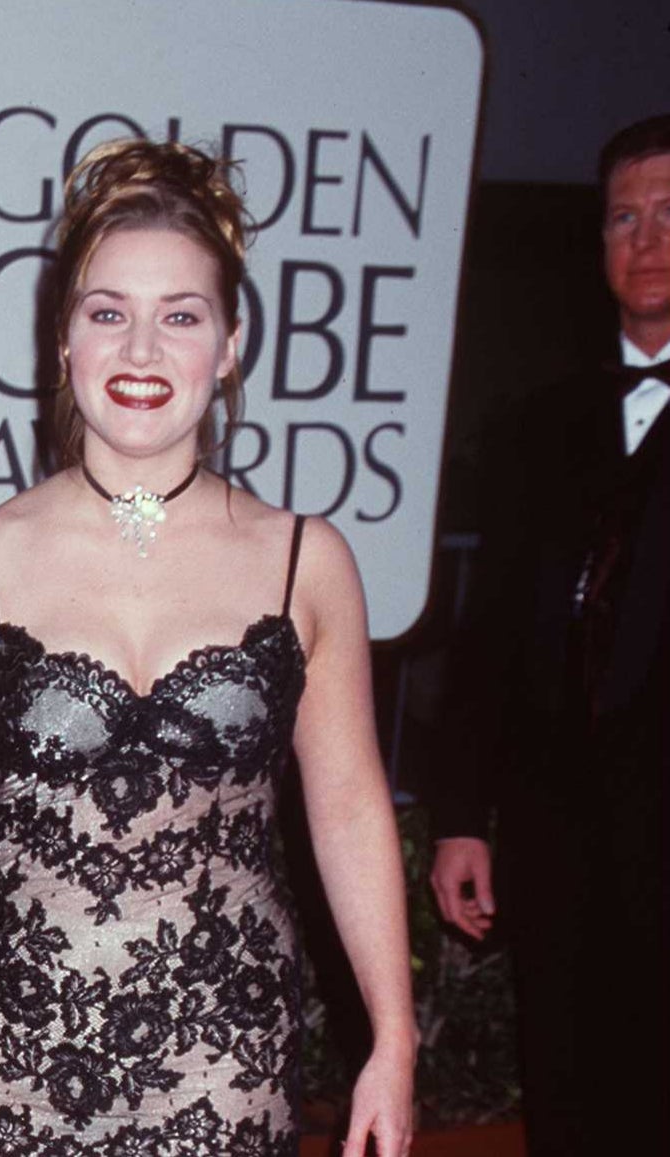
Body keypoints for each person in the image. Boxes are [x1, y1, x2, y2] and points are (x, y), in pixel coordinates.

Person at [0, 139, 415, 1156]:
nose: (140, 350)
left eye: (181, 316)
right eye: (107, 311)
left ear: (232, 345)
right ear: (63, 340)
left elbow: (346, 803)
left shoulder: (305, 560)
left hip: (226, 1045)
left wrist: (392, 1036)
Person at [427, 113, 670, 1155]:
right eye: (622, 217)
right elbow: (485, 641)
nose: (645, 239)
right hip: (554, 834)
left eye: (669, 214)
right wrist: (458, 815)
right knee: (565, 1097)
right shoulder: (534, 423)